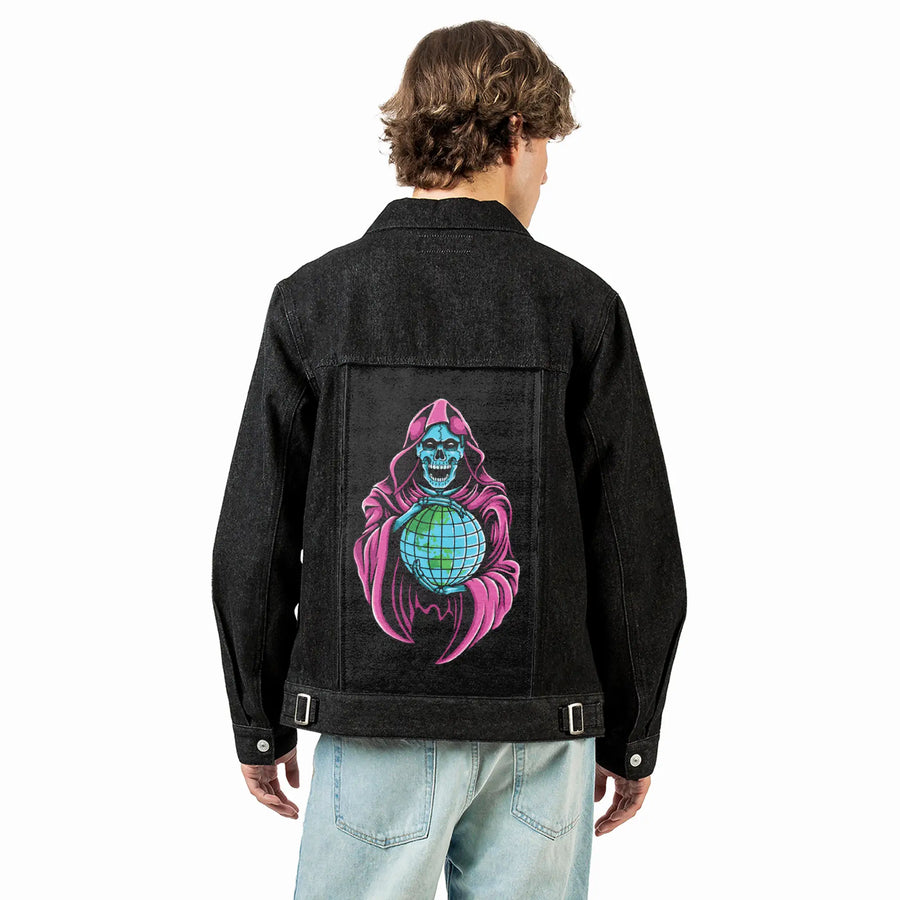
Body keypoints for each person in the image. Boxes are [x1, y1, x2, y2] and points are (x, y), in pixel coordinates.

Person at [211, 19, 687, 900]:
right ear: (514, 134)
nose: (547, 172)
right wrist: (631, 731)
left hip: (371, 721)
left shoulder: (314, 301)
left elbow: (255, 530)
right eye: (545, 146)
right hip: (543, 732)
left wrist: (258, 715)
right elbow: (636, 547)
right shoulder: (581, 307)